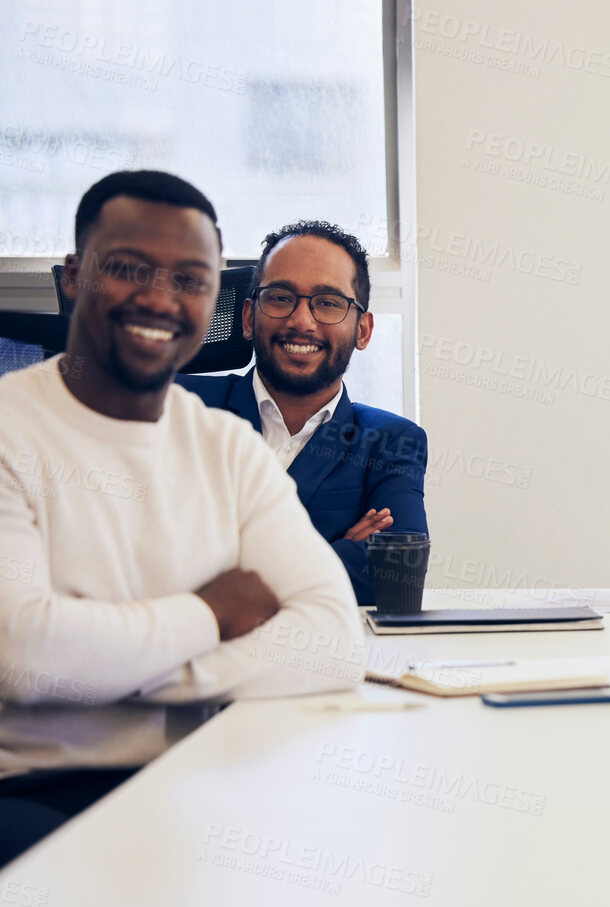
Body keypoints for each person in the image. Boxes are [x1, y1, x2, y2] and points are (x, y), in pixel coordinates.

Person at [0, 171, 363, 865]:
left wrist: (138, 673)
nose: (160, 298)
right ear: (74, 276)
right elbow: (23, 655)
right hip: (34, 790)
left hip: (203, 772)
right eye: (129, 268)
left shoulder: (226, 446)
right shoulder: (11, 431)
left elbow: (334, 639)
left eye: (191, 279)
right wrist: (210, 614)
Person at [179, 221, 428, 606]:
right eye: (280, 297)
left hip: (320, 656)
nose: (301, 321)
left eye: (328, 302)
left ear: (363, 330)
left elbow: (399, 575)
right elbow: (141, 559)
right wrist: (333, 552)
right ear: (248, 317)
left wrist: (226, 572)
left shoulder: (391, 441)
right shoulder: (182, 408)